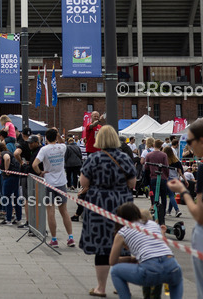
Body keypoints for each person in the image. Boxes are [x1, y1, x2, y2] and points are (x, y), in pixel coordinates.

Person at [79, 125, 137, 297]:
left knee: (102, 246)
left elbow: (83, 182)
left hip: (99, 205)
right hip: (122, 205)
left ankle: (101, 288)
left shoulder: (94, 158)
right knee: (123, 245)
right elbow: (132, 183)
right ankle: (121, 286)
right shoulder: (125, 157)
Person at [168, 118, 203, 299]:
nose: (188, 146)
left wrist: (183, 191)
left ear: (202, 141)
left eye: (190, 141)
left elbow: (200, 214)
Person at [108, 202, 184, 299]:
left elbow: (112, 261)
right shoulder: (152, 224)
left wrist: (129, 259)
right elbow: (160, 246)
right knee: (176, 278)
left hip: (150, 270)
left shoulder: (122, 232)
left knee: (115, 271)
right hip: (171, 265)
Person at [32, 127, 74, 249]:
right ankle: (70, 237)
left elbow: (34, 164)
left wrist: (40, 172)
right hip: (61, 182)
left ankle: (54, 239)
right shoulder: (62, 147)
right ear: (56, 137)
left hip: (49, 182)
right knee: (64, 211)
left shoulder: (44, 149)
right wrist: (58, 134)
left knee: (51, 212)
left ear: (46, 138)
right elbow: (62, 142)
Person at [143, 140, 169, 225]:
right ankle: (163, 214)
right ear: (161, 146)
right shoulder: (164, 155)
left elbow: (146, 168)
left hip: (153, 178)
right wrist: (166, 176)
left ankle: (155, 211)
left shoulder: (148, 155)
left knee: (153, 195)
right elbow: (166, 167)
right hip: (163, 178)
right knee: (164, 196)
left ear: (154, 145)